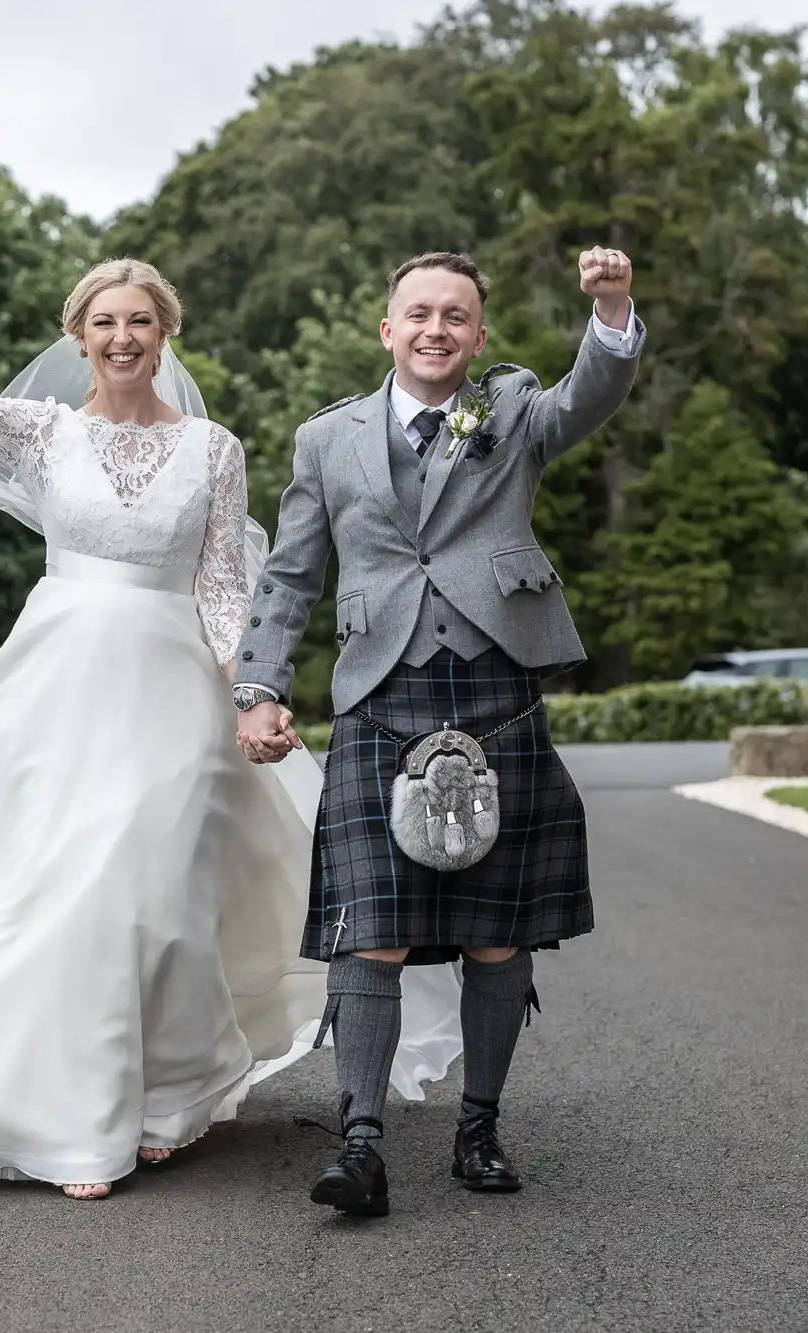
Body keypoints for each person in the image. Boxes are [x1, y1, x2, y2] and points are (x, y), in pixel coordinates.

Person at [0, 250, 459, 1200]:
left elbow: (221, 589)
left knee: (154, 896)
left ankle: (165, 1096)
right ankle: (62, 1116)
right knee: (58, 890)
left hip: (170, 694)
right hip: (55, 687)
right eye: (105, 323)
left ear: (165, 335)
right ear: (78, 336)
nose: (123, 339)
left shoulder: (215, 450)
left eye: (140, 322)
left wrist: (255, 694)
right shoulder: (41, 433)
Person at [234, 248, 643, 1217]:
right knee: (365, 933)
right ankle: (360, 1142)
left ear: (477, 335)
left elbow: (593, 390)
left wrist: (611, 303)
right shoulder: (325, 440)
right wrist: (257, 687)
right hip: (380, 694)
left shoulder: (512, 411)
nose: (434, 330)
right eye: (417, 313)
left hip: (498, 687)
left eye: (454, 317)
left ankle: (478, 1127)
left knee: (497, 938)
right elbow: (291, 576)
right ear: (385, 330)